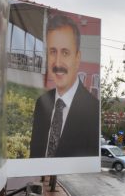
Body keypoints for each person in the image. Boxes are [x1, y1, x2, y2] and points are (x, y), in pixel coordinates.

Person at [29, 14, 100, 158]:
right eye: (53, 52)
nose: (58, 63)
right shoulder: (41, 104)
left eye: (65, 52)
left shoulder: (93, 111)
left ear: (77, 58)